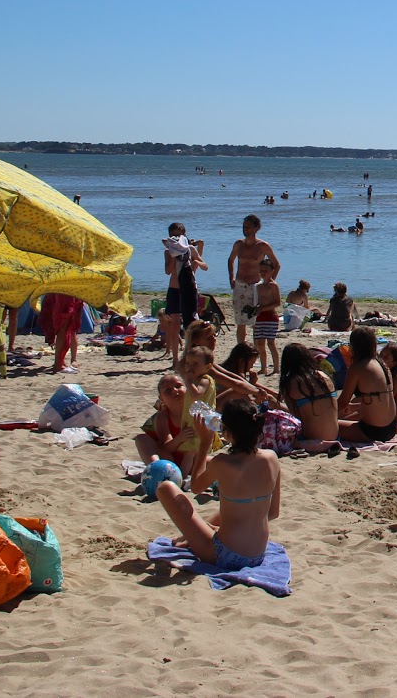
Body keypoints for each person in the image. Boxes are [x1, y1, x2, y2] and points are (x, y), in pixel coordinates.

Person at [154, 397, 281, 572]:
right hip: (258, 555)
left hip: (225, 555)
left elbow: (196, 487)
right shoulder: (272, 458)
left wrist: (205, 442)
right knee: (237, 507)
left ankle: (191, 537)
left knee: (165, 488)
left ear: (226, 432)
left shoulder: (222, 462)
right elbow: (273, 513)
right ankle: (193, 536)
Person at [336, 327, 397, 443]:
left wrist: (323, 413)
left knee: (326, 426)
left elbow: (342, 402)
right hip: (391, 427)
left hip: (372, 431)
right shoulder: (382, 365)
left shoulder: (357, 368)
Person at [227, 214, 280, 351]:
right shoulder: (239, 244)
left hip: (255, 286)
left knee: (256, 321)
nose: (246, 229)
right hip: (239, 285)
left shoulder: (262, 246)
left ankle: (255, 351)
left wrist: (268, 282)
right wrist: (231, 278)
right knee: (240, 322)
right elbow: (231, 260)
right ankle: (241, 350)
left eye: (249, 227)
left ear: (257, 228)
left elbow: (276, 264)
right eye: (244, 227)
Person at [277, 342, 340, 452]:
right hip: (335, 435)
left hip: (311, 436)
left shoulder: (291, 383)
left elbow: (294, 417)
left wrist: (277, 406)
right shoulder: (323, 376)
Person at [135, 372, 202, 473]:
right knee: (141, 439)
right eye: (168, 390)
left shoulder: (195, 412)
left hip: (192, 459)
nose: (175, 391)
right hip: (168, 460)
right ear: (161, 398)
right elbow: (166, 448)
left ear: (187, 390)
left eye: (178, 386)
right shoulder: (162, 417)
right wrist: (180, 438)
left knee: (218, 462)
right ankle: (158, 470)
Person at [162, 223, 206, 363]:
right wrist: (174, 255)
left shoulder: (190, 249)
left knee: (190, 323)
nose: (176, 237)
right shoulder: (168, 252)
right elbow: (168, 271)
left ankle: (189, 355)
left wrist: (196, 262)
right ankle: (175, 358)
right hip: (174, 288)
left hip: (188, 289)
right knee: (174, 324)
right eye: (173, 235)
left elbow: (205, 266)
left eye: (178, 235)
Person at [251, 257, 282, 375]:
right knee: (260, 343)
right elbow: (256, 302)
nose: (263, 272)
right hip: (260, 317)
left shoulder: (273, 286)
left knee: (271, 343)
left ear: (272, 271)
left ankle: (276, 368)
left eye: (266, 270)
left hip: (271, 317)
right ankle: (263, 367)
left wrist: (262, 308)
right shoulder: (258, 286)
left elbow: (277, 302)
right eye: (261, 270)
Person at [42, 292, 84, 375]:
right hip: (64, 295)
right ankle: (58, 364)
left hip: (64, 293)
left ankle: (62, 362)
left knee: (69, 328)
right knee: (63, 329)